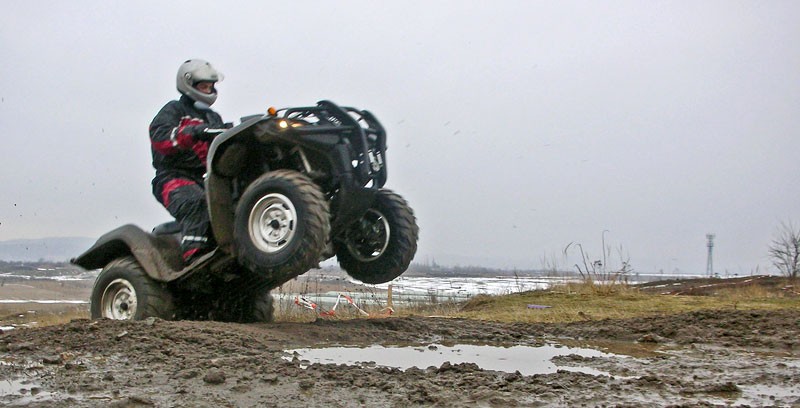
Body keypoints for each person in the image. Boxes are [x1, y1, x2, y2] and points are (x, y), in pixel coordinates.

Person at [149, 59, 226, 264]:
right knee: (196, 202)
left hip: (208, 180)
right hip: (173, 177)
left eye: (210, 86)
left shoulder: (213, 118)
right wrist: (192, 132)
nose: (208, 90)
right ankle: (194, 258)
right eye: (203, 86)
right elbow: (160, 137)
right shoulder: (174, 110)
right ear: (188, 84)